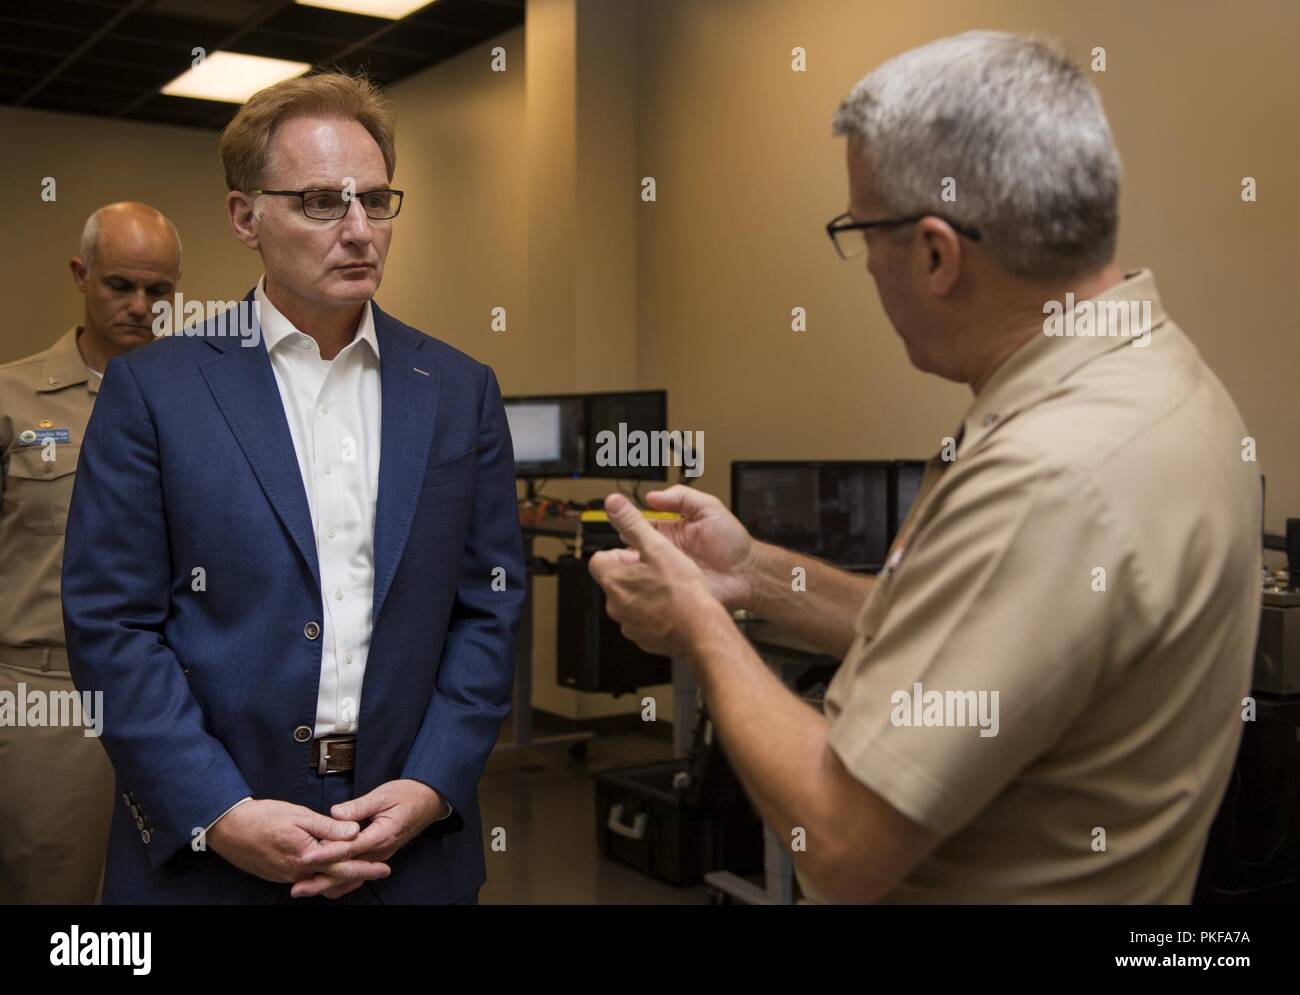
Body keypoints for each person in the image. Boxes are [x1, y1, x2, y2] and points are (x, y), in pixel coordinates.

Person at [589, 31, 1260, 903]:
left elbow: (838, 836)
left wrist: (698, 629)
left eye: (861, 230)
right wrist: (752, 573)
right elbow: (965, 630)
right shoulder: (1151, 374)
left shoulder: (1051, 474)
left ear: (938, 253)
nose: (864, 261)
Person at [62, 72, 523, 904]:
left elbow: (487, 608)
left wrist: (431, 784)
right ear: (246, 217)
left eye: (377, 201)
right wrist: (220, 809)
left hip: (409, 847)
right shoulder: (156, 392)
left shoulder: (458, 388)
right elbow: (113, 627)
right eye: (321, 202)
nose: (360, 232)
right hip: (212, 854)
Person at [0, 202, 181, 903]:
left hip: (172, 697)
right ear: (82, 276)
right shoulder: (14, 399)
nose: (140, 306)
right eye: (120, 285)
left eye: (159, 291)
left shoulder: (197, 402)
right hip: (48, 698)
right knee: (52, 894)